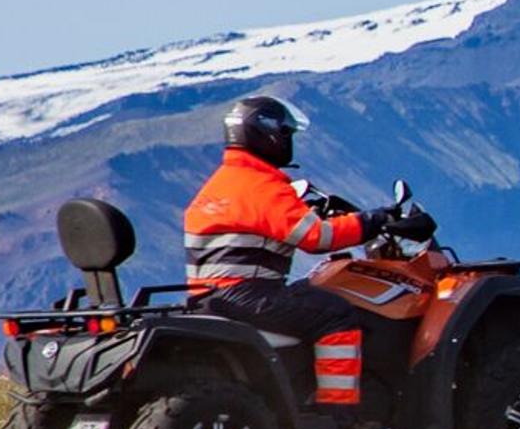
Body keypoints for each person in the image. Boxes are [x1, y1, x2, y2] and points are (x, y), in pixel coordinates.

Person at [180, 95, 431, 371]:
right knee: (337, 315)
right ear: (269, 134)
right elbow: (318, 237)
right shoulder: (261, 186)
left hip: (207, 297)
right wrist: (373, 219)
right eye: (286, 133)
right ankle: (338, 407)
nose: (289, 141)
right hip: (248, 295)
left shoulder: (221, 183)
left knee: (309, 292)